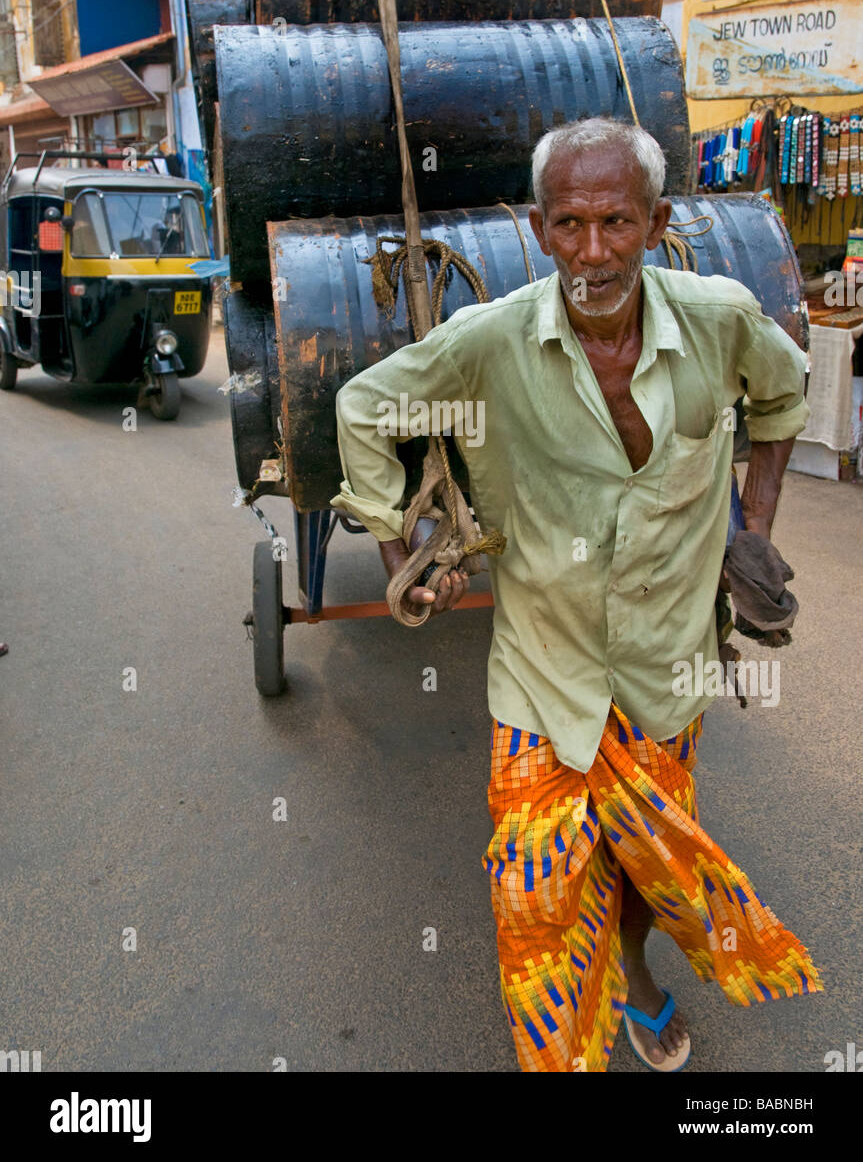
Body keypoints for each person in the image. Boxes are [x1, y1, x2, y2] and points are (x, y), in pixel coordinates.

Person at [330, 117, 822, 1073]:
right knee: (534, 886)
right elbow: (362, 406)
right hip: (541, 668)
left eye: (614, 223)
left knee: (643, 857)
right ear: (536, 227)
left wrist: (753, 533)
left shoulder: (720, 319)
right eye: (567, 225)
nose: (591, 253)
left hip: (667, 665)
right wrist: (402, 549)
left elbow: (780, 397)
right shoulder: (487, 344)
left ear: (655, 219)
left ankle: (634, 978)